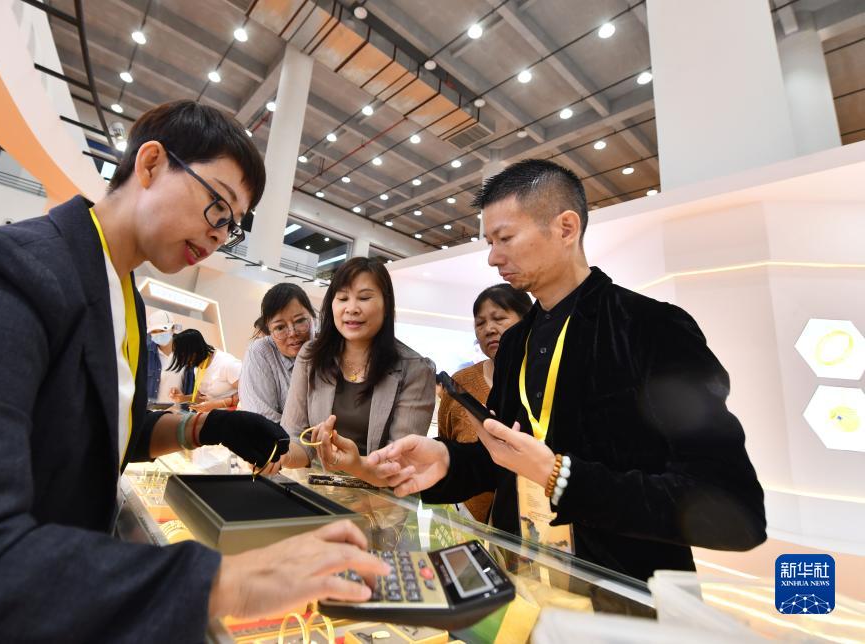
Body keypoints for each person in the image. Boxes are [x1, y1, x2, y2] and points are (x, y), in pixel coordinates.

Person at [0, 100, 388, 642]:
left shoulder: (123, 298)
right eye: (217, 207)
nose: (218, 235)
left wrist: (208, 425)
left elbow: (107, 429)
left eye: (231, 226)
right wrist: (223, 581)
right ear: (152, 163)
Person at [357, 159, 767, 582]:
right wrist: (446, 460)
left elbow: (734, 509)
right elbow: (503, 458)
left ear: (566, 228)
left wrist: (561, 477)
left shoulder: (650, 327)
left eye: (505, 238)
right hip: (519, 582)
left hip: (620, 589)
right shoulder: (516, 342)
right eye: (490, 242)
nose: (493, 257)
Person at [266, 257, 435, 479]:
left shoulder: (415, 369)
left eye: (364, 298)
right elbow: (297, 438)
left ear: (386, 305)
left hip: (381, 496)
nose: (351, 309)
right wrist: (277, 455)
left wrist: (355, 465)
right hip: (321, 490)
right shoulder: (311, 356)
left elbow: (399, 463)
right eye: (343, 298)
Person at [438, 283, 531, 522]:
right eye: (480, 323)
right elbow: (447, 440)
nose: (489, 329)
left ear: (527, 319)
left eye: (499, 319)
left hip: (529, 519)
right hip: (466, 518)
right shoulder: (461, 382)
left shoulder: (539, 383)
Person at [239, 283, 316, 422]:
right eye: (280, 327)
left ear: (312, 317)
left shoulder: (330, 344)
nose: (292, 333)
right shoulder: (260, 352)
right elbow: (261, 420)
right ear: (269, 330)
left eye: (300, 321)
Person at [169, 328, 243, 411]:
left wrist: (220, 404)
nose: (183, 361)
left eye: (183, 356)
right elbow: (202, 397)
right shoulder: (198, 366)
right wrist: (183, 398)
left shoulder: (227, 363)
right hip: (215, 415)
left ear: (194, 351)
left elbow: (248, 392)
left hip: (236, 414)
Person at [145, 309, 184, 403]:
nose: (158, 334)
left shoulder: (186, 354)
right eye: (154, 331)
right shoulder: (146, 354)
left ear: (173, 329)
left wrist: (185, 398)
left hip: (181, 410)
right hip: (153, 410)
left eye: (162, 330)